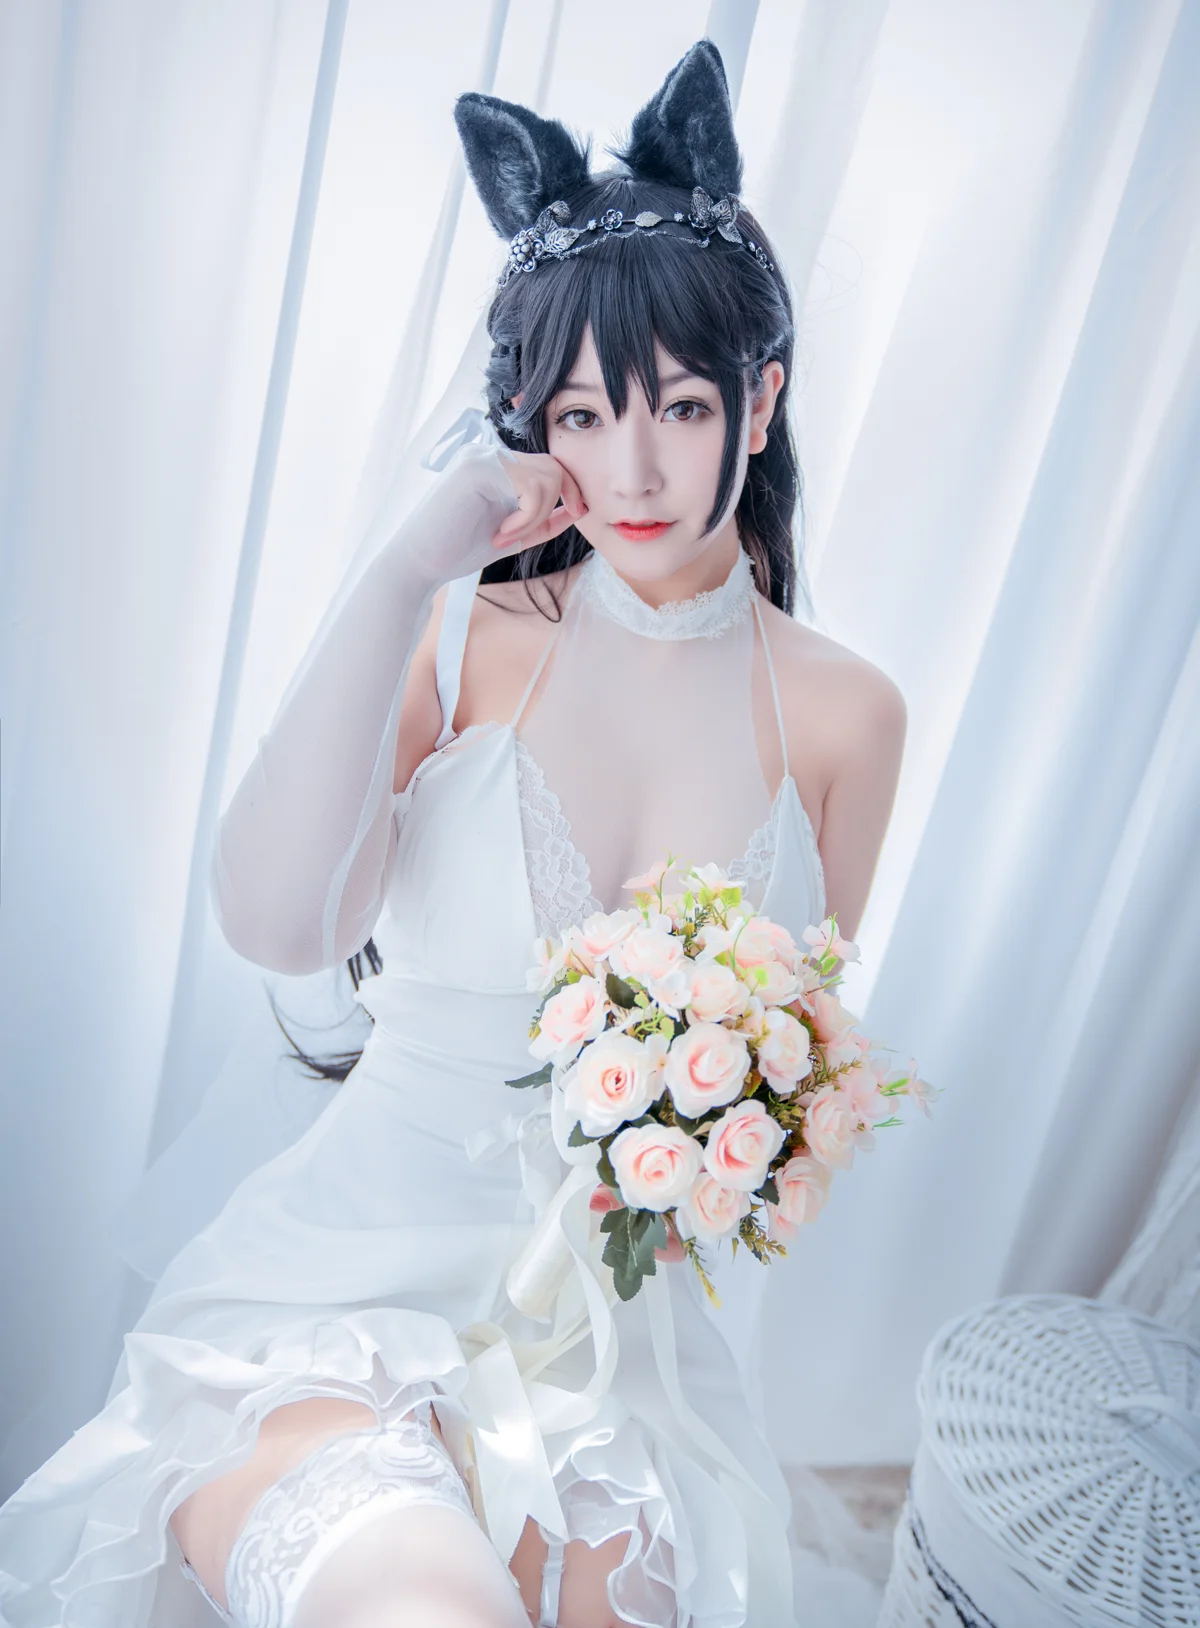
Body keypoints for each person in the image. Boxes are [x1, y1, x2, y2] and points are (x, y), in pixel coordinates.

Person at [0, 40, 905, 1628]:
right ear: (531, 422)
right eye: (583, 414)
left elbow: (788, 1080)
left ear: (760, 401)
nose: (632, 467)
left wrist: (717, 1157)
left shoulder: (849, 716)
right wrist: (406, 572)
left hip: (621, 1360)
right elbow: (277, 923)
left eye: (683, 405)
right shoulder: (462, 640)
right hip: (336, 1304)